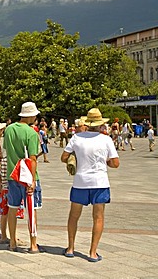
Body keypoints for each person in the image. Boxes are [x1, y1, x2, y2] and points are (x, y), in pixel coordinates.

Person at [61, 108, 119, 262]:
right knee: (98, 218)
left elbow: (64, 157)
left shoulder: (76, 138)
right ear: (101, 124)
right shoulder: (106, 139)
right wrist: (103, 160)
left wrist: (77, 158)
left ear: (87, 123)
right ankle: (93, 253)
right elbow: (115, 163)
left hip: (80, 182)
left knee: (74, 216)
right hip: (100, 182)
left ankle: (70, 248)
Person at [3, 101, 41, 253]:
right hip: (27, 176)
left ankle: (12, 241)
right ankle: (33, 243)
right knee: (32, 209)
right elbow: (32, 158)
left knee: (12, 208)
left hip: (13, 175)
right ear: (31, 115)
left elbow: (7, 150)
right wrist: (32, 180)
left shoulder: (9, 129)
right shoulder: (31, 133)